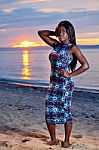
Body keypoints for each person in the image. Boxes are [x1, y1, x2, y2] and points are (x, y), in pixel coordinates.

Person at [38, 20, 89, 148]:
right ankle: (54, 140)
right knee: (49, 110)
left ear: (69, 33)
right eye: (59, 31)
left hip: (65, 85)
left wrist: (69, 74)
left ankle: (66, 141)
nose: (61, 34)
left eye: (63, 31)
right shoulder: (56, 45)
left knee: (65, 111)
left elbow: (86, 65)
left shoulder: (73, 48)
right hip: (53, 84)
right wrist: (56, 33)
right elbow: (41, 33)